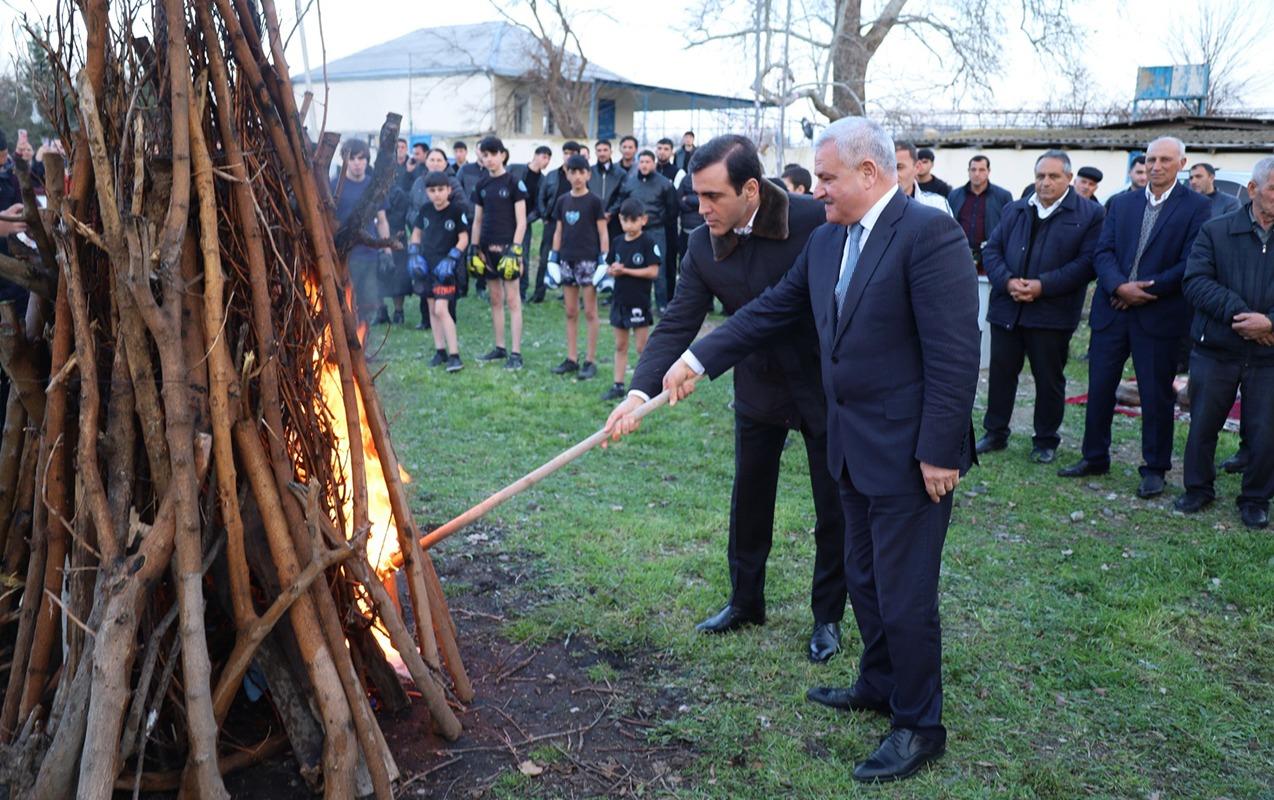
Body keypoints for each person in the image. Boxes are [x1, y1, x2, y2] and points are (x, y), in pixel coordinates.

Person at [621, 118, 979, 783]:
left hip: (909, 456)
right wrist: (695, 359)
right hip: (852, 444)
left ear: (870, 174)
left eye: (827, 178)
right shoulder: (829, 242)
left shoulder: (929, 233)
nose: (817, 190)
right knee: (866, 580)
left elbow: (956, 354)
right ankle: (877, 683)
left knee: (905, 595)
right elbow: (765, 314)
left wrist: (939, 450)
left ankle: (919, 725)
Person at [604, 134, 850, 666]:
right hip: (757, 384)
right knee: (749, 496)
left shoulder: (814, 220)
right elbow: (675, 323)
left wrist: (699, 362)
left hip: (821, 383)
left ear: (752, 189)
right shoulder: (700, 243)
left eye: (714, 196)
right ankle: (745, 600)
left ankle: (828, 615)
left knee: (833, 503)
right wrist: (639, 392)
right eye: (696, 196)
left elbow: (788, 306)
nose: (701, 208)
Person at [1058, 137, 1211, 498]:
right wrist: (1118, 287)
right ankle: (1094, 456)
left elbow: (1191, 261)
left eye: (1165, 160)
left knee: (1156, 394)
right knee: (1099, 389)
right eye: (1150, 159)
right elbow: (1103, 251)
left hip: (1158, 315)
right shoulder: (1122, 203)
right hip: (1113, 311)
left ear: (1182, 162)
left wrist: (1146, 290)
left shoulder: (1197, 208)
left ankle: (1154, 468)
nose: (1156, 166)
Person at [978, 150, 1104, 464]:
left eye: (1053, 177)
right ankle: (995, 432)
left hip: (1052, 313)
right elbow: (992, 250)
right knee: (1002, 372)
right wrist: (1007, 281)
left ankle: (1045, 439)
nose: (1044, 183)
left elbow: (1087, 263)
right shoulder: (1015, 209)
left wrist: (1042, 286)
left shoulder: (1089, 214)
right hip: (1009, 307)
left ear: (1069, 179)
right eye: (1040, 176)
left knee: (1048, 378)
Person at [1176, 157, 1274, 529]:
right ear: (1252, 190)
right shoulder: (1215, 231)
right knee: (1203, 424)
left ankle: (1255, 498)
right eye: (1273, 188)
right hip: (1216, 347)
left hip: (1268, 352)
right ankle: (1198, 488)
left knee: (1266, 430)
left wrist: (1269, 324)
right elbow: (1195, 281)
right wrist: (1241, 316)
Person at [469, 136, 528, 370]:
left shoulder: (514, 183)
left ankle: (516, 353)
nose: (489, 159)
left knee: (513, 300)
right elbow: (477, 220)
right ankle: (500, 347)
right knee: (495, 299)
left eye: (493, 154)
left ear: (502, 154)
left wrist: (515, 250)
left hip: (508, 251)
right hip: (486, 251)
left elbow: (522, 222)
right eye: (485, 155)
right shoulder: (481, 185)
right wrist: (474, 248)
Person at [548, 154, 608, 380]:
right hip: (567, 260)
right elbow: (558, 231)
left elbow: (603, 232)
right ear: (567, 174)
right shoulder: (563, 200)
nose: (577, 177)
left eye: (581, 172)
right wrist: (553, 257)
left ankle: (590, 360)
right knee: (571, 311)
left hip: (589, 261)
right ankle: (572, 358)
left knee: (590, 312)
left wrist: (603, 258)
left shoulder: (594, 201)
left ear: (588, 174)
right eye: (572, 172)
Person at [409, 171, 468, 372]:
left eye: (441, 190)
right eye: (432, 190)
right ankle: (440, 350)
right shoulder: (425, 210)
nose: (437, 194)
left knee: (442, 309)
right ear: (427, 192)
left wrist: (453, 257)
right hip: (428, 265)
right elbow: (416, 234)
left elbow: (464, 238)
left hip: (446, 268)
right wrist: (414, 253)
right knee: (433, 309)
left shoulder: (456, 211)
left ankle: (455, 355)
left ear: (449, 190)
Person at [330, 138, 392, 326]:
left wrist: (387, 249)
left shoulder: (374, 187)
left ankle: (364, 341)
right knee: (347, 299)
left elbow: (381, 220)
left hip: (369, 253)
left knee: (368, 301)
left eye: (361, 158)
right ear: (344, 160)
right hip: (344, 254)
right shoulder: (334, 186)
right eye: (353, 159)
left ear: (367, 160)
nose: (357, 163)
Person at [603, 198, 659, 400]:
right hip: (620, 300)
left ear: (643, 220)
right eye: (625, 220)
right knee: (620, 345)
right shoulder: (617, 242)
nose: (629, 225)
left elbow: (653, 271)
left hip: (639, 301)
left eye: (634, 220)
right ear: (620, 219)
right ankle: (618, 385)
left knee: (641, 348)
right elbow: (610, 266)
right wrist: (613, 271)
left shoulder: (648, 242)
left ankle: (642, 388)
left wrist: (625, 270)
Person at [609, 150, 677, 312]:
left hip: (656, 230)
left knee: (658, 269)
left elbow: (672, 209)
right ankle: (629, 301)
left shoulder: (665, 184)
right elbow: (622, 204)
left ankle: (661, 304)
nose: (644, 165)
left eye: (648, 162)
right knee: (631, 264)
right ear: (638, 163)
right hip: (633, 232)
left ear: (653, 164)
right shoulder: (630, 183)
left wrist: (659, 221)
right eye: (642, 162)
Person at [948, 155, 1013, 273]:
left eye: (981, 170)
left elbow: (1009, 227)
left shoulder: (1003, 196)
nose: (977, 174)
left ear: (988, 171)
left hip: (992, 257)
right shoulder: (954, 195)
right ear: (968, 171)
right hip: (960, 255)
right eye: (973, 170)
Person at [510, 145, 552, 301]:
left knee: (523, 256)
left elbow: (539, 204)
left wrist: (526, 220)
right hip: (507, 219)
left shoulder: (543, 180)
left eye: (548, 158)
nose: (546, 161)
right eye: (544, 157)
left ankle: (522, 291)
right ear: (535, 155)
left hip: (525, 222)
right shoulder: (515, 169)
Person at [589, 139, 628, 262]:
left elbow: (622, 195)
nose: (602, 153)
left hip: (614, 220)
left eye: (605, 150)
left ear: (611, 152)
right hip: (592, 219)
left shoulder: (621, 173)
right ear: (595, 152)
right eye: (599, 150)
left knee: (613, 253)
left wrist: (610, 212)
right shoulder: (589, 172)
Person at [895, 141, 952, 214]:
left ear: (917, 167)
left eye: (899, 167)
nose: (893, 174)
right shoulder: (877, 203)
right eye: (888, 167)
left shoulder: (936, 203)